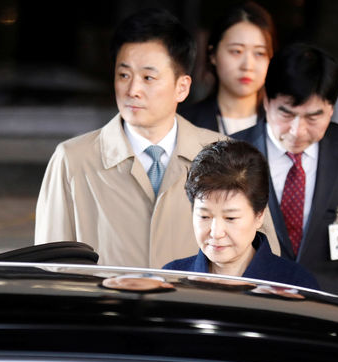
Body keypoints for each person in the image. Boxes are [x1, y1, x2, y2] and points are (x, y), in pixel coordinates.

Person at [34, 7, 279, 268]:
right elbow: (52, 269)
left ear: (182, 87)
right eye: (123, 75)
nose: (133, 90)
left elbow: (265, 266)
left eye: (148, 77)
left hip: (197, 309)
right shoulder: (73, 160)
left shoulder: (229, 156)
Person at [233, 43, 338, 307]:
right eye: (286, 113)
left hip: (330, 317)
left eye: (313, 117)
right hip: (253, 312)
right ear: (266, 100)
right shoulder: (231, 153)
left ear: (331, 108)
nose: (298, 131)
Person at [164, 140, 318, 289]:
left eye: (230, 218)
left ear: (259, 215)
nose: (216, 233)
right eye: (205, 216)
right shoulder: (172, 278)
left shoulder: (295, 284)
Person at [180, 2, 275, 135]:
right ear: (213, 55)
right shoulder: (183, 123)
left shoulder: (283, 125)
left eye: (259, 53)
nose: (247, 66)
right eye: (236, 51)